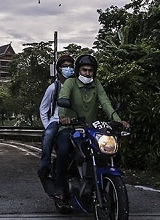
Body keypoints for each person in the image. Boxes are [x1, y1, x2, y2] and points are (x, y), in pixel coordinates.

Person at [54, 54, 129, 199]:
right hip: (71, 127)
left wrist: (118, 120)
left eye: (90, 70)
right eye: (84, 70)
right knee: (63, 150)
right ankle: (60, 189)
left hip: (91, 128)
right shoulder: (71, 82)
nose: (87, 73)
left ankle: (96, 183)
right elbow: (62, 98)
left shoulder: (97, 84)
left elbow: (105, 103)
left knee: (110, 151)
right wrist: (64, 118)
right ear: (78, 71)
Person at [38, 54, 74, 180]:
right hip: (57, 120)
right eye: (65, 66)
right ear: (59, 69)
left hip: (74, 121)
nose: (68, 69)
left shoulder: (77, 86)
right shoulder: (54, 87)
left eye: (70, 66)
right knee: (48, 135)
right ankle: (45, 164)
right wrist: (47, 124)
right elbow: (43, 108)